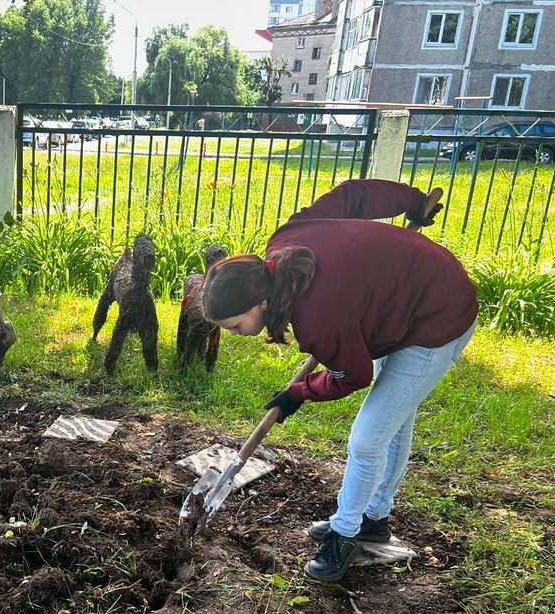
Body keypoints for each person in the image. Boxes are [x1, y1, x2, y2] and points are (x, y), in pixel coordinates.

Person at [192, 179, 477, 582]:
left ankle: (345, 535)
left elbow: (352, 375)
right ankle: (374, 521)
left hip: (438, 315)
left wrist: (299, 391)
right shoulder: (287, 239)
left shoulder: (318, 320)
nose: (236, 334)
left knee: (368, 438)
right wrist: (412, 202)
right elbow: (352, 196)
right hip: (397, 301)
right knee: (391, 421)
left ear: (259, 303)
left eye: (236, 326)